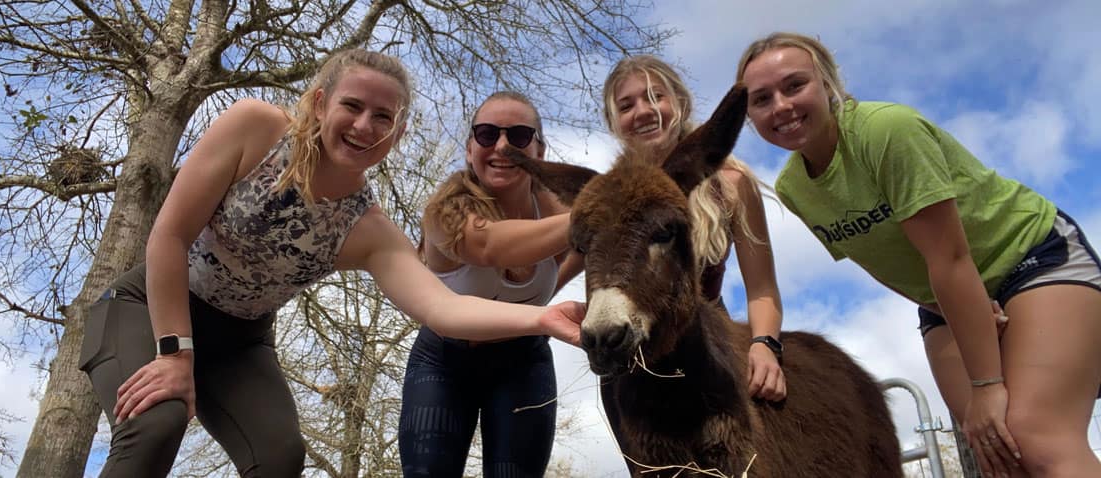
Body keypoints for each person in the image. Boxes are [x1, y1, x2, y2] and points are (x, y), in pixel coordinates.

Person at [77, 49, 585, 477]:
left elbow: (442, 310)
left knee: (279, 457)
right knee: (156, 420)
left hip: (242, 341)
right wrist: (174, 354)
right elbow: (169, 235)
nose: (365, 126)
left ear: (398, 132)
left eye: (383, 117)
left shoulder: (368, 230)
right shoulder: (255, 129)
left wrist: (538, 317)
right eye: (353, 106)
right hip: (150, 307)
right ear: (321, 103)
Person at [736, 32, 1101, 478]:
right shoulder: (794, 187)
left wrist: (986, 384)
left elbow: (949, 258)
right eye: (762, 99)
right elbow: (877, 261)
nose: (781, 106)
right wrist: (945, 308)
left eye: (795, 85)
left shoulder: (886, 131)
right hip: (943, 299)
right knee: (1000, 455)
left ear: (828, 83)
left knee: (1035, 437)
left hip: (1028, 259)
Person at [397, 91, 582, 477]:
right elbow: (489, 245)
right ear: (469, 149)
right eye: (486, 134)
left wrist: (545, 300)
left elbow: (592, 248)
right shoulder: (444, 211)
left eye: (518, 136)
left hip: (523, 362)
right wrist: (594, 213)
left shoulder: (553, 208)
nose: (501, 146)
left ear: (539, 150)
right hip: (443, 361)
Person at [601, 55, 788, 402]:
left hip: (707, 348)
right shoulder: (605, 198)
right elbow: (563, 265)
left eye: (655, 96)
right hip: (629, 355)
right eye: (626, 106)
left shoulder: (731, 184)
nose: (643, 111)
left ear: (681, 103)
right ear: (614, 123)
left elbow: (762, 287)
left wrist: (764, 345)